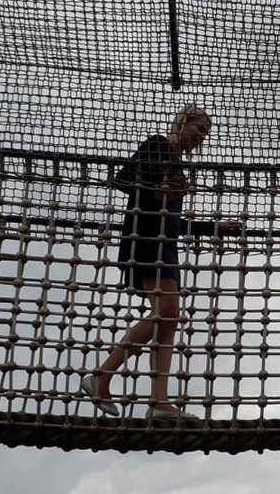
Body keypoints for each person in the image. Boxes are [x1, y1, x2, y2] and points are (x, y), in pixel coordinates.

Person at [80, 104, 240, 420]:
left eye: (205, 133)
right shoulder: (157, 146)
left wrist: (213, 227)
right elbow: (124, 181)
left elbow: (174, 221)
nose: (200, 137)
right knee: (167, 312)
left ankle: (160, 402)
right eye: (199, 128)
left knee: (168, 320)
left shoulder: (178, 166)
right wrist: (158, 191)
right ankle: (102, 376)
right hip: (144, 241)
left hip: (165, 247)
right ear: (184, 122)